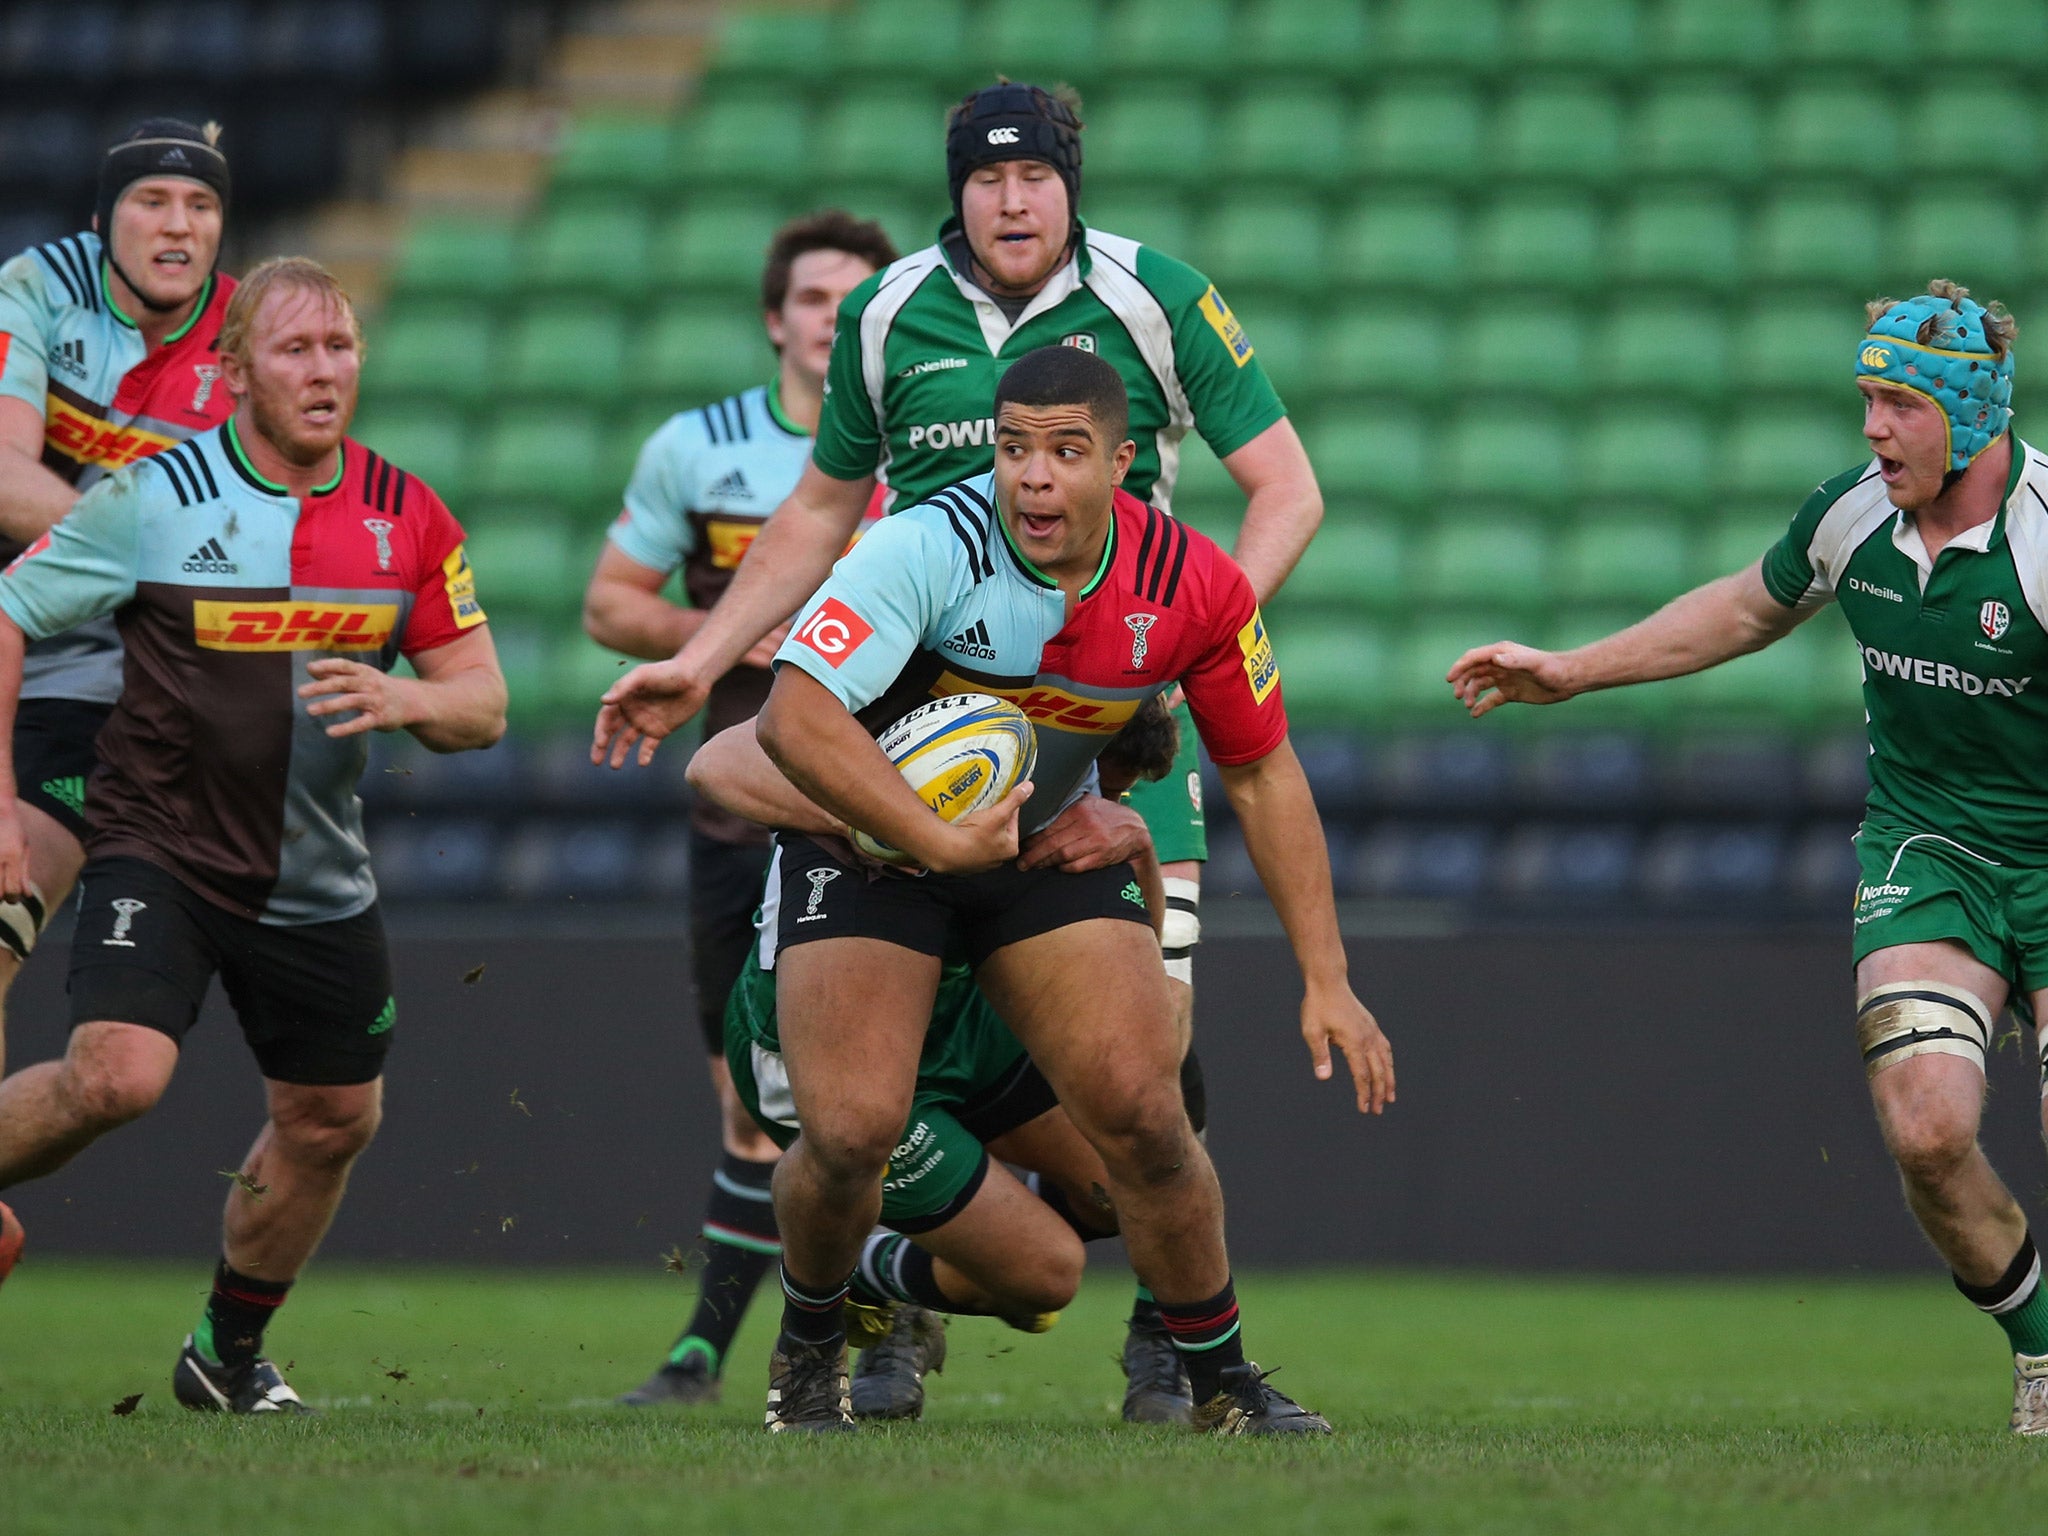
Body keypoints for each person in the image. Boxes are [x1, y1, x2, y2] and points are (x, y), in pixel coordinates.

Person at [594, 79, 1328, 1422]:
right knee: (872, 1090)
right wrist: (703, 662)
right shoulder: (887, 314)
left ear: (1069, 184)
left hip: (1107, 717)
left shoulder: (1159, 297)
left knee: (1146, 1052)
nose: (1011, 199)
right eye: (987, 179)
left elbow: (1287, 487)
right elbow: (820, 511)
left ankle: (1175, 1342)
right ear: (956, 190)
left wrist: (1177, 649)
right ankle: (884, 1316)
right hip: (922, 716)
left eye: (1035, 177)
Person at [1447, 280, 2048, 1437]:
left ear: (1970, 414)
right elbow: (1741, 608)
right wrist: (1571, 670)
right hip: (1928, 847)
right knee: (1924, 1128)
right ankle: (2040, 1357)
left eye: (1897, 405)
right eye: (1864, 400)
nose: (1871, 429)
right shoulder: (1852, 517)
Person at [0, 257, 506, 1412]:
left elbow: (482, 701)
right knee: (117, 1077)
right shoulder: (148, 499)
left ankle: (225, 1358)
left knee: (332, 1120)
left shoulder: (406, 512)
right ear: (232, 373)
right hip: (160, 847)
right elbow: (7, 612)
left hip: (315, 869)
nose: (324, 372)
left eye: (339, 349)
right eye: (295, 351)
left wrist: (410, 700)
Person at [584, 210, 898, 1408]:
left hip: (863, 807)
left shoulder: (912, 451)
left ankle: (785, 1341)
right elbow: (611, 603)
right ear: (776, 320)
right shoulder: (698, 448)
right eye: (813, 299)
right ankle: (726, 1345)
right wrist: (712, 642)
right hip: (736, 811)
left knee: (866, 1091)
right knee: (750, 1091)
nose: (832, 318)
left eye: (853, 299)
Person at [683, 698, 1182, 1421]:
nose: (1101, 802)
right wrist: (885, 825)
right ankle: (852, 1273)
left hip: (960, 1030)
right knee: (1044, 1276)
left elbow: (1124, 985)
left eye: (1119, 794)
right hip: (823, 1046)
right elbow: (715, 762)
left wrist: (1137, 850)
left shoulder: (1060, 807)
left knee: (1132, 1165)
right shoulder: (938, 762)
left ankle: (888, 1265)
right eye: (1103, 783)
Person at [0, 119, 240, 1275]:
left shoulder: (248, 334)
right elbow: (5, 473)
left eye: (199, 208)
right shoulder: (37, 290)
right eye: (152, 202)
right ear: (105, 221)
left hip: (107, 675)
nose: (178, 226)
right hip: (21, 621)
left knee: (112, 1061)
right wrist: (141, 559)